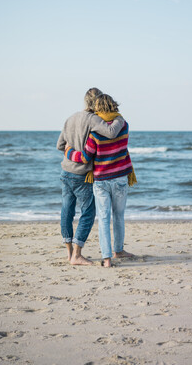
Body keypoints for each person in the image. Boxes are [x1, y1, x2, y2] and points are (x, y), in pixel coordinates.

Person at [64, 94, 136, 268]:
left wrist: (68, 152)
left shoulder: (95, 133)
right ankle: (119, 250)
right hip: (120, 178)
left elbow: (85, 157)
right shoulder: (124, 125)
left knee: (103, 218)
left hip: (101, 180)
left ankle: (107, 259)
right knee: (118, 216)